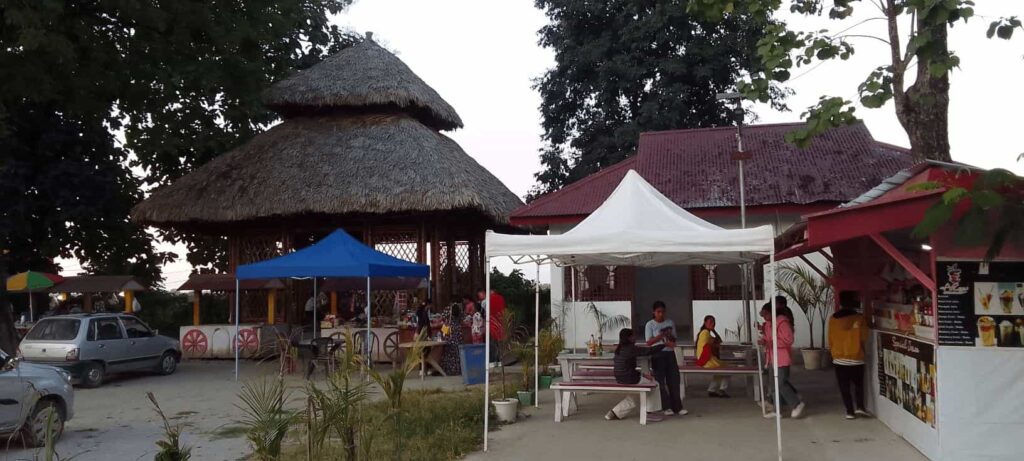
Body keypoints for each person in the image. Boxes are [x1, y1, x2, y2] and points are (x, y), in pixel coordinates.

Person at [606, 328, 664, 421]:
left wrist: (643, 375)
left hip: (620, 378)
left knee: (637, 394)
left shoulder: (619, 349)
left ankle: (615, 412)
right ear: (629, 338)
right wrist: (664, 344)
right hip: (629, 378)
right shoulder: (631, 348)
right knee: (654, 384)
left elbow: (628, 368)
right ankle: (650, 412)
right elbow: (649, 351)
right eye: (633, 335)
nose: (635, 337)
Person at [829, 291, 870, 419]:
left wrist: (834, 353)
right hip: (857, 357)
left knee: (844, 386)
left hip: (839, 358)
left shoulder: (833, 319)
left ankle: (849, 412)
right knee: (858, 385)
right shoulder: (859, 318)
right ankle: (860, 407)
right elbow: (864, 336)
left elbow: (830, 339)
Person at [760, 302, 805, 418]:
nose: (764, 317)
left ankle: (796, 404)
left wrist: (770, 343)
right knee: (773, 385)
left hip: (781, 357)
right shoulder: (769, 324)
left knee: (781, 383)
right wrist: (764, 340)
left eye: (765, 314)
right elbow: (768, 338)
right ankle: (777, 409)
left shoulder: (782, 322)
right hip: (771, 357)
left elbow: (788, 340)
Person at [644, 301, 686, 416]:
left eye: (663, 312)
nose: (661, 314)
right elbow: (649, 342)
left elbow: (674, 339)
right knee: (660, 381)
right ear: (654, 312)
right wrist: (661, 336)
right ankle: (666, 406)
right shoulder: (650, 324)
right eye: (658, 312)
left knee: (674, 380)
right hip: (657, 354)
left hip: (670, 353)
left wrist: (670, 340)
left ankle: (677, 407)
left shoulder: (670, 322)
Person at [695, 315, 729, 398]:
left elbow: (719, 340)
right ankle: (722, 390)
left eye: (714, 322)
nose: (713, 324)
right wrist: (716, 344)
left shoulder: (705, 332)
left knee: (720, 369)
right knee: (727, 368)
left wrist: (713, 330)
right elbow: (712, 344)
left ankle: (712, 390)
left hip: (704, 359)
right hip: (706, 360)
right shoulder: (705, 333)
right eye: (710, 322)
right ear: (705, 323)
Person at [440, 303, 464, 375]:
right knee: (458, 352)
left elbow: (442, 318)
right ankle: (459, 369)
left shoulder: (448, 310)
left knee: (449, 353)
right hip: (458, 332)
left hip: (450, 334)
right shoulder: (460, 311)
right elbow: (463, 319)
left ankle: (449, 370)